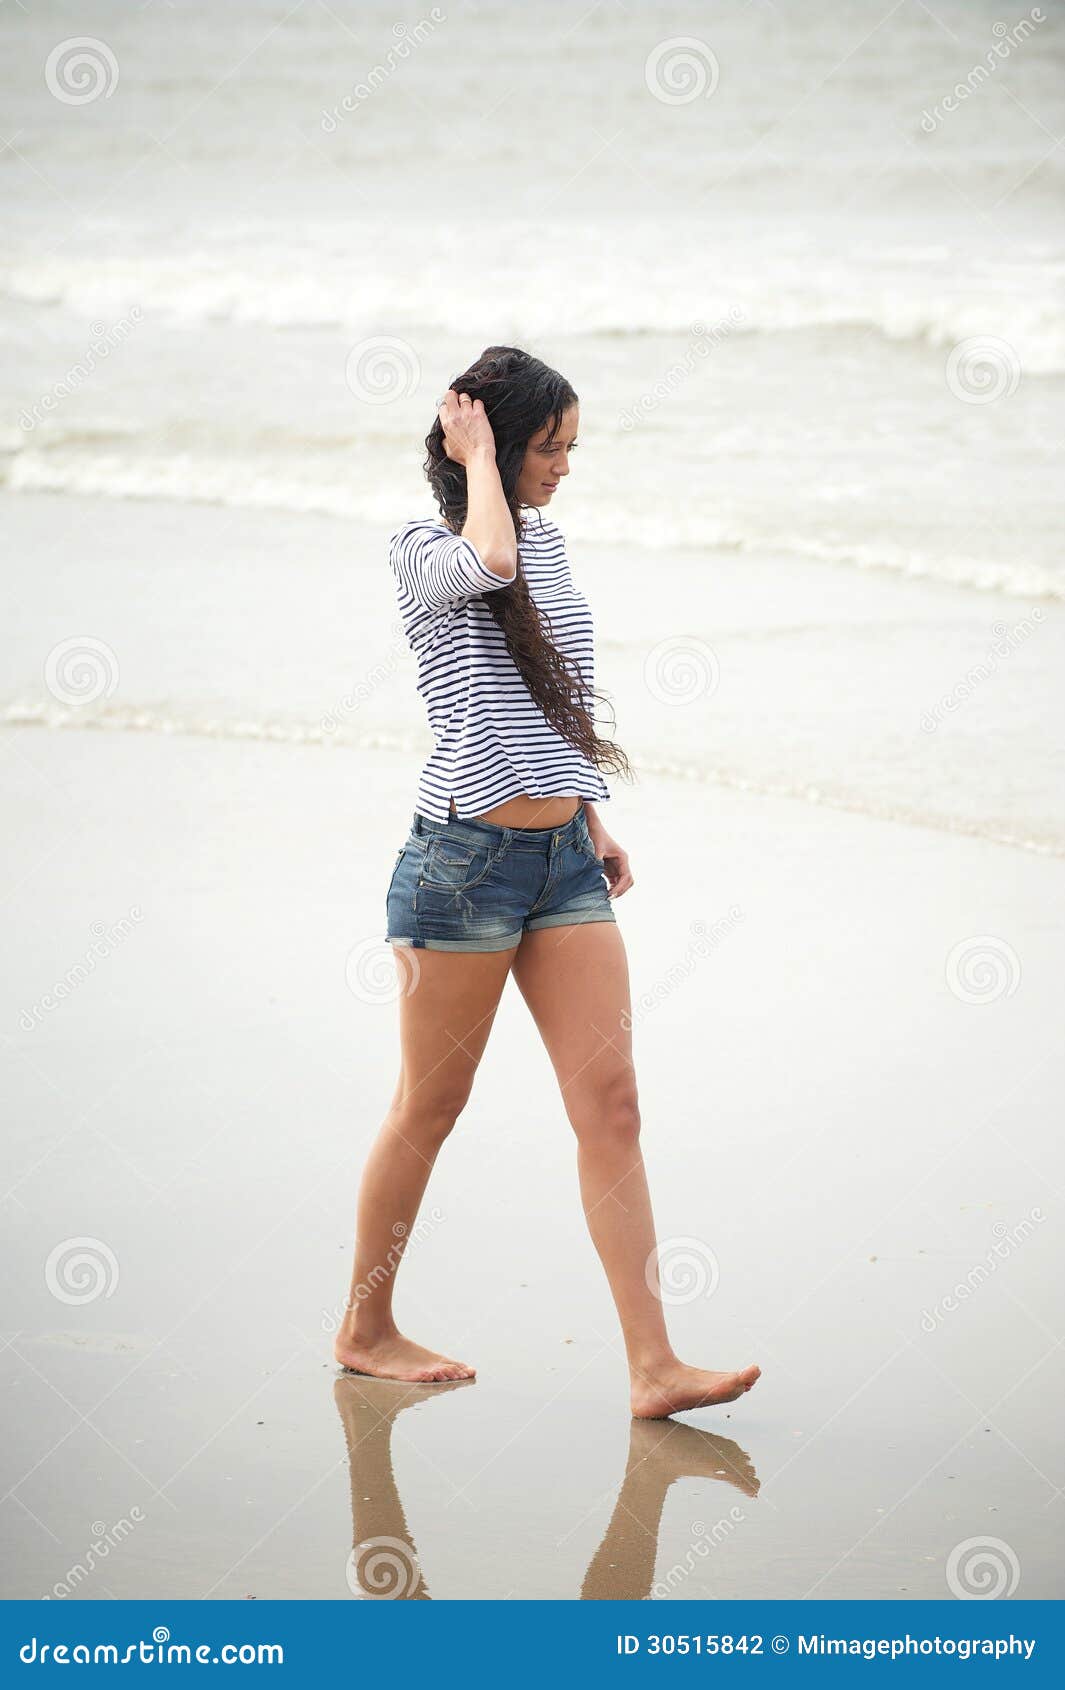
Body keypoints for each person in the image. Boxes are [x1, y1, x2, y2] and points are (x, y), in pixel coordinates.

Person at [335, 346, 760, 1417]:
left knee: (611, 1105)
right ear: (485, 441)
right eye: (547, 445)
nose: (565, 465)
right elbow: (489, 566)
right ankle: (365, 1325)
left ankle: (654, 1366)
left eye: (573, 447)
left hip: (561, 859)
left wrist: (588, 810)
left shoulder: (551, 544)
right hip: (460, 867)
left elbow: (551, 693)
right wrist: (475, 461)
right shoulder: (425, 550)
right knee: (430, 1107)